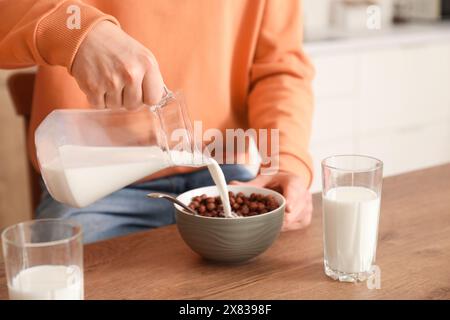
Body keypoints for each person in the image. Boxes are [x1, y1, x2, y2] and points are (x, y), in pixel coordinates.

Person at [0, 0, 314, 243]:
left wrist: (284, 163)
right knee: (68, 279)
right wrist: (75, 30)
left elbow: (278, 69)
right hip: (95, 185)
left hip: (222, 173)